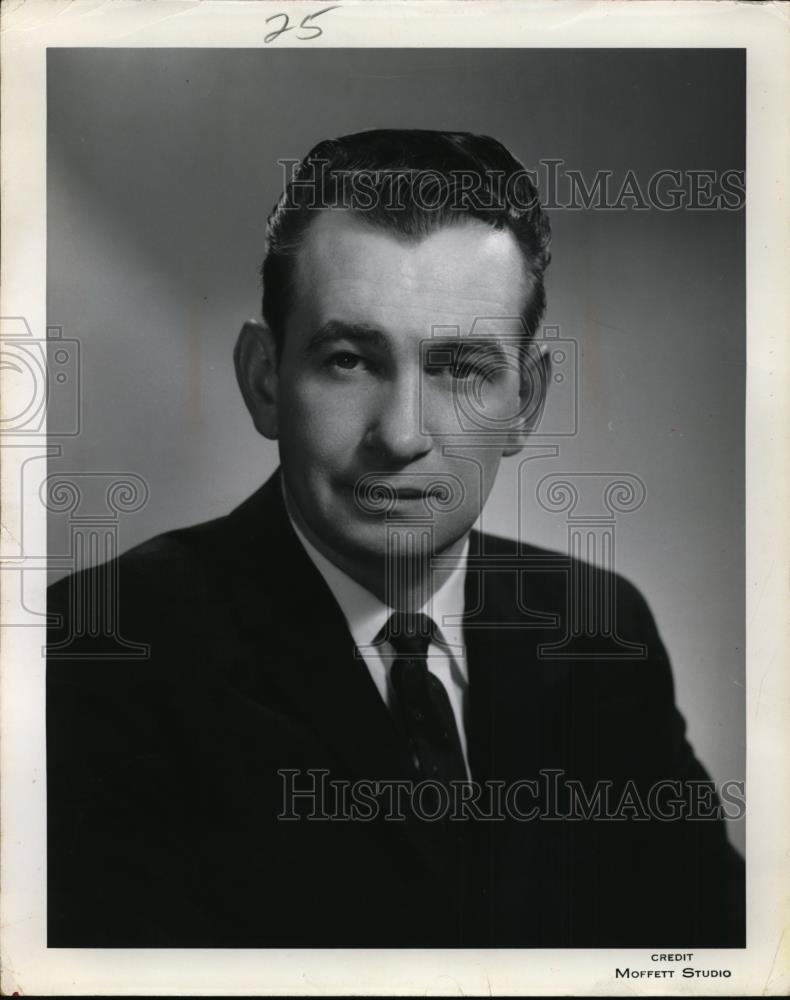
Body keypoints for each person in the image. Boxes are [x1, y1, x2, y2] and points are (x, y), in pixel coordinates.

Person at [47, 129, 744, 948]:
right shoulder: (100, 652)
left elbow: (720, 957)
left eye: (460, 369)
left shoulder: (598, 629)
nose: (403, 435)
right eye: (349, 360)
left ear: (527, 402)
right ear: (265, 380)